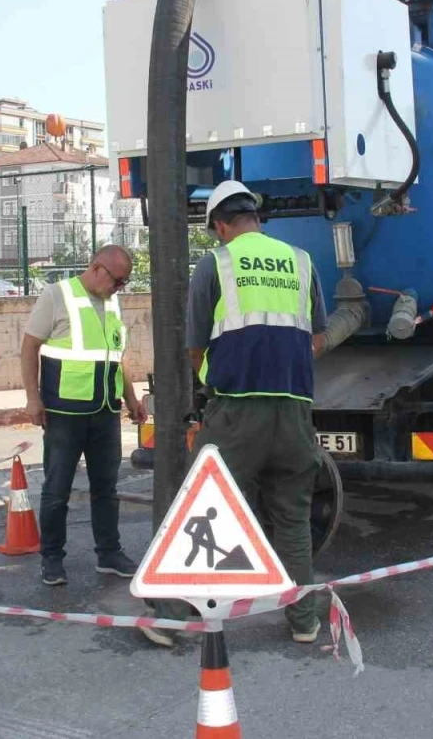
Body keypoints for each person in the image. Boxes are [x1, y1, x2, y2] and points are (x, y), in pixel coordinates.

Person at [142, 180, 328, 647]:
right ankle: (304, 621)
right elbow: (318, 339)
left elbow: (195, 345)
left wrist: (213, 376)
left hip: (236, 412)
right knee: (292, 519)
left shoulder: (217, 263)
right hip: (294, 413)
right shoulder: (301, 262)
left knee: (201, 510)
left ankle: (171, 618)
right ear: (256, 218)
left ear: (220, 225)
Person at [21, 245, 148, 587]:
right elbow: (29, 346)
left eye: (124, 283)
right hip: (64, 413)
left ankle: (109, 553)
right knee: (57, 489)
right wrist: (33, 399)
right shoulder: (57, 295)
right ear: (97, 268)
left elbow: (117, 356)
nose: (120, 288)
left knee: (106, 487)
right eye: (117, 280)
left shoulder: (112, 302)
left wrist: (131, 397)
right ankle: (52, 558)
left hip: (105, 411)